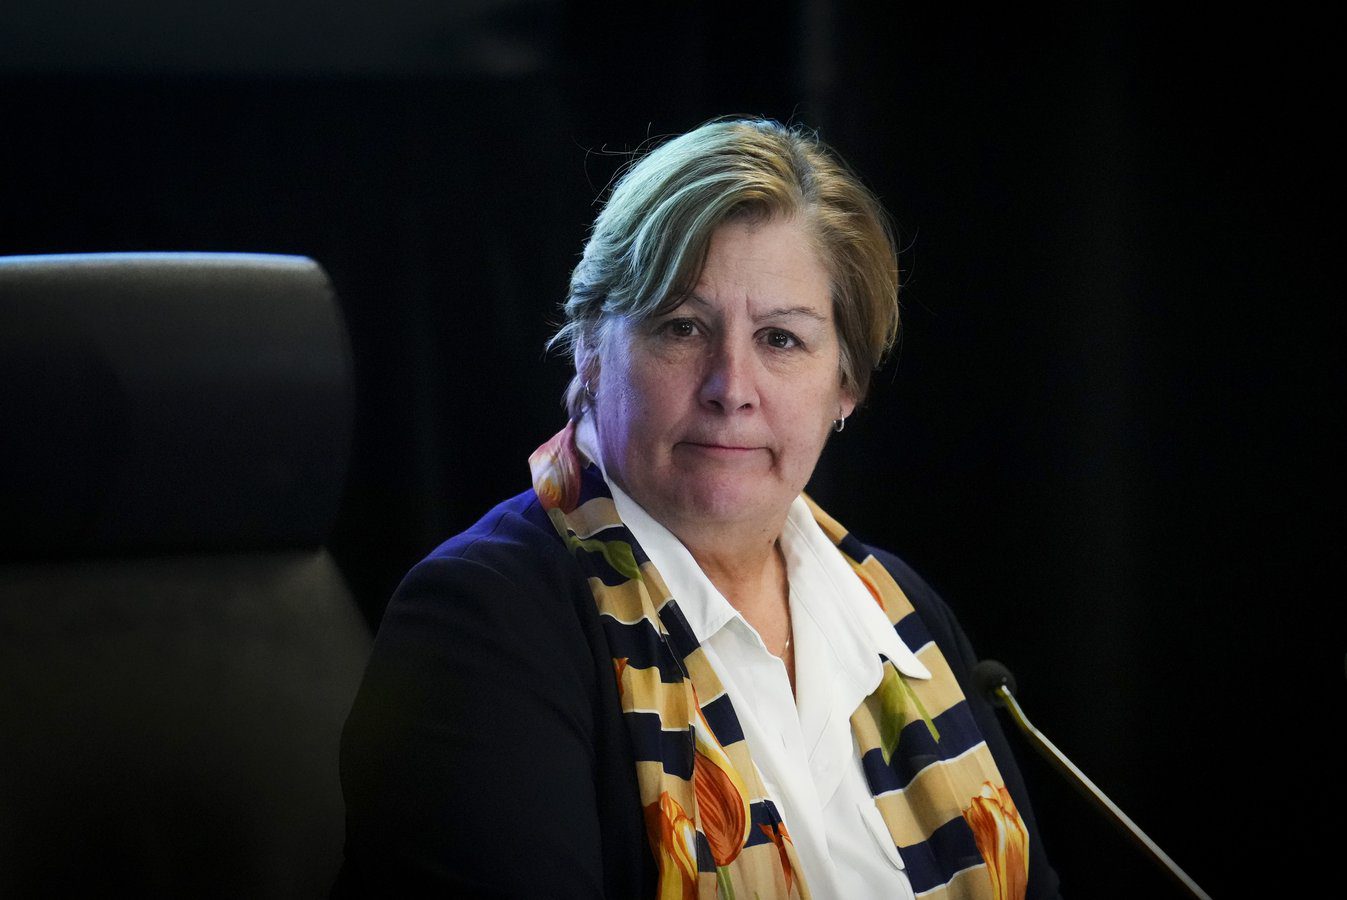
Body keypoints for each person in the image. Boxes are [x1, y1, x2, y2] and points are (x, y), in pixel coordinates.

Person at [335, 118, 1061, 899]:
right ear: (591, 348)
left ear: (846, 387)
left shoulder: (901, 613)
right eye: (682, 327)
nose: (731, 388)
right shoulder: (484, 624)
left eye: (780, 340)